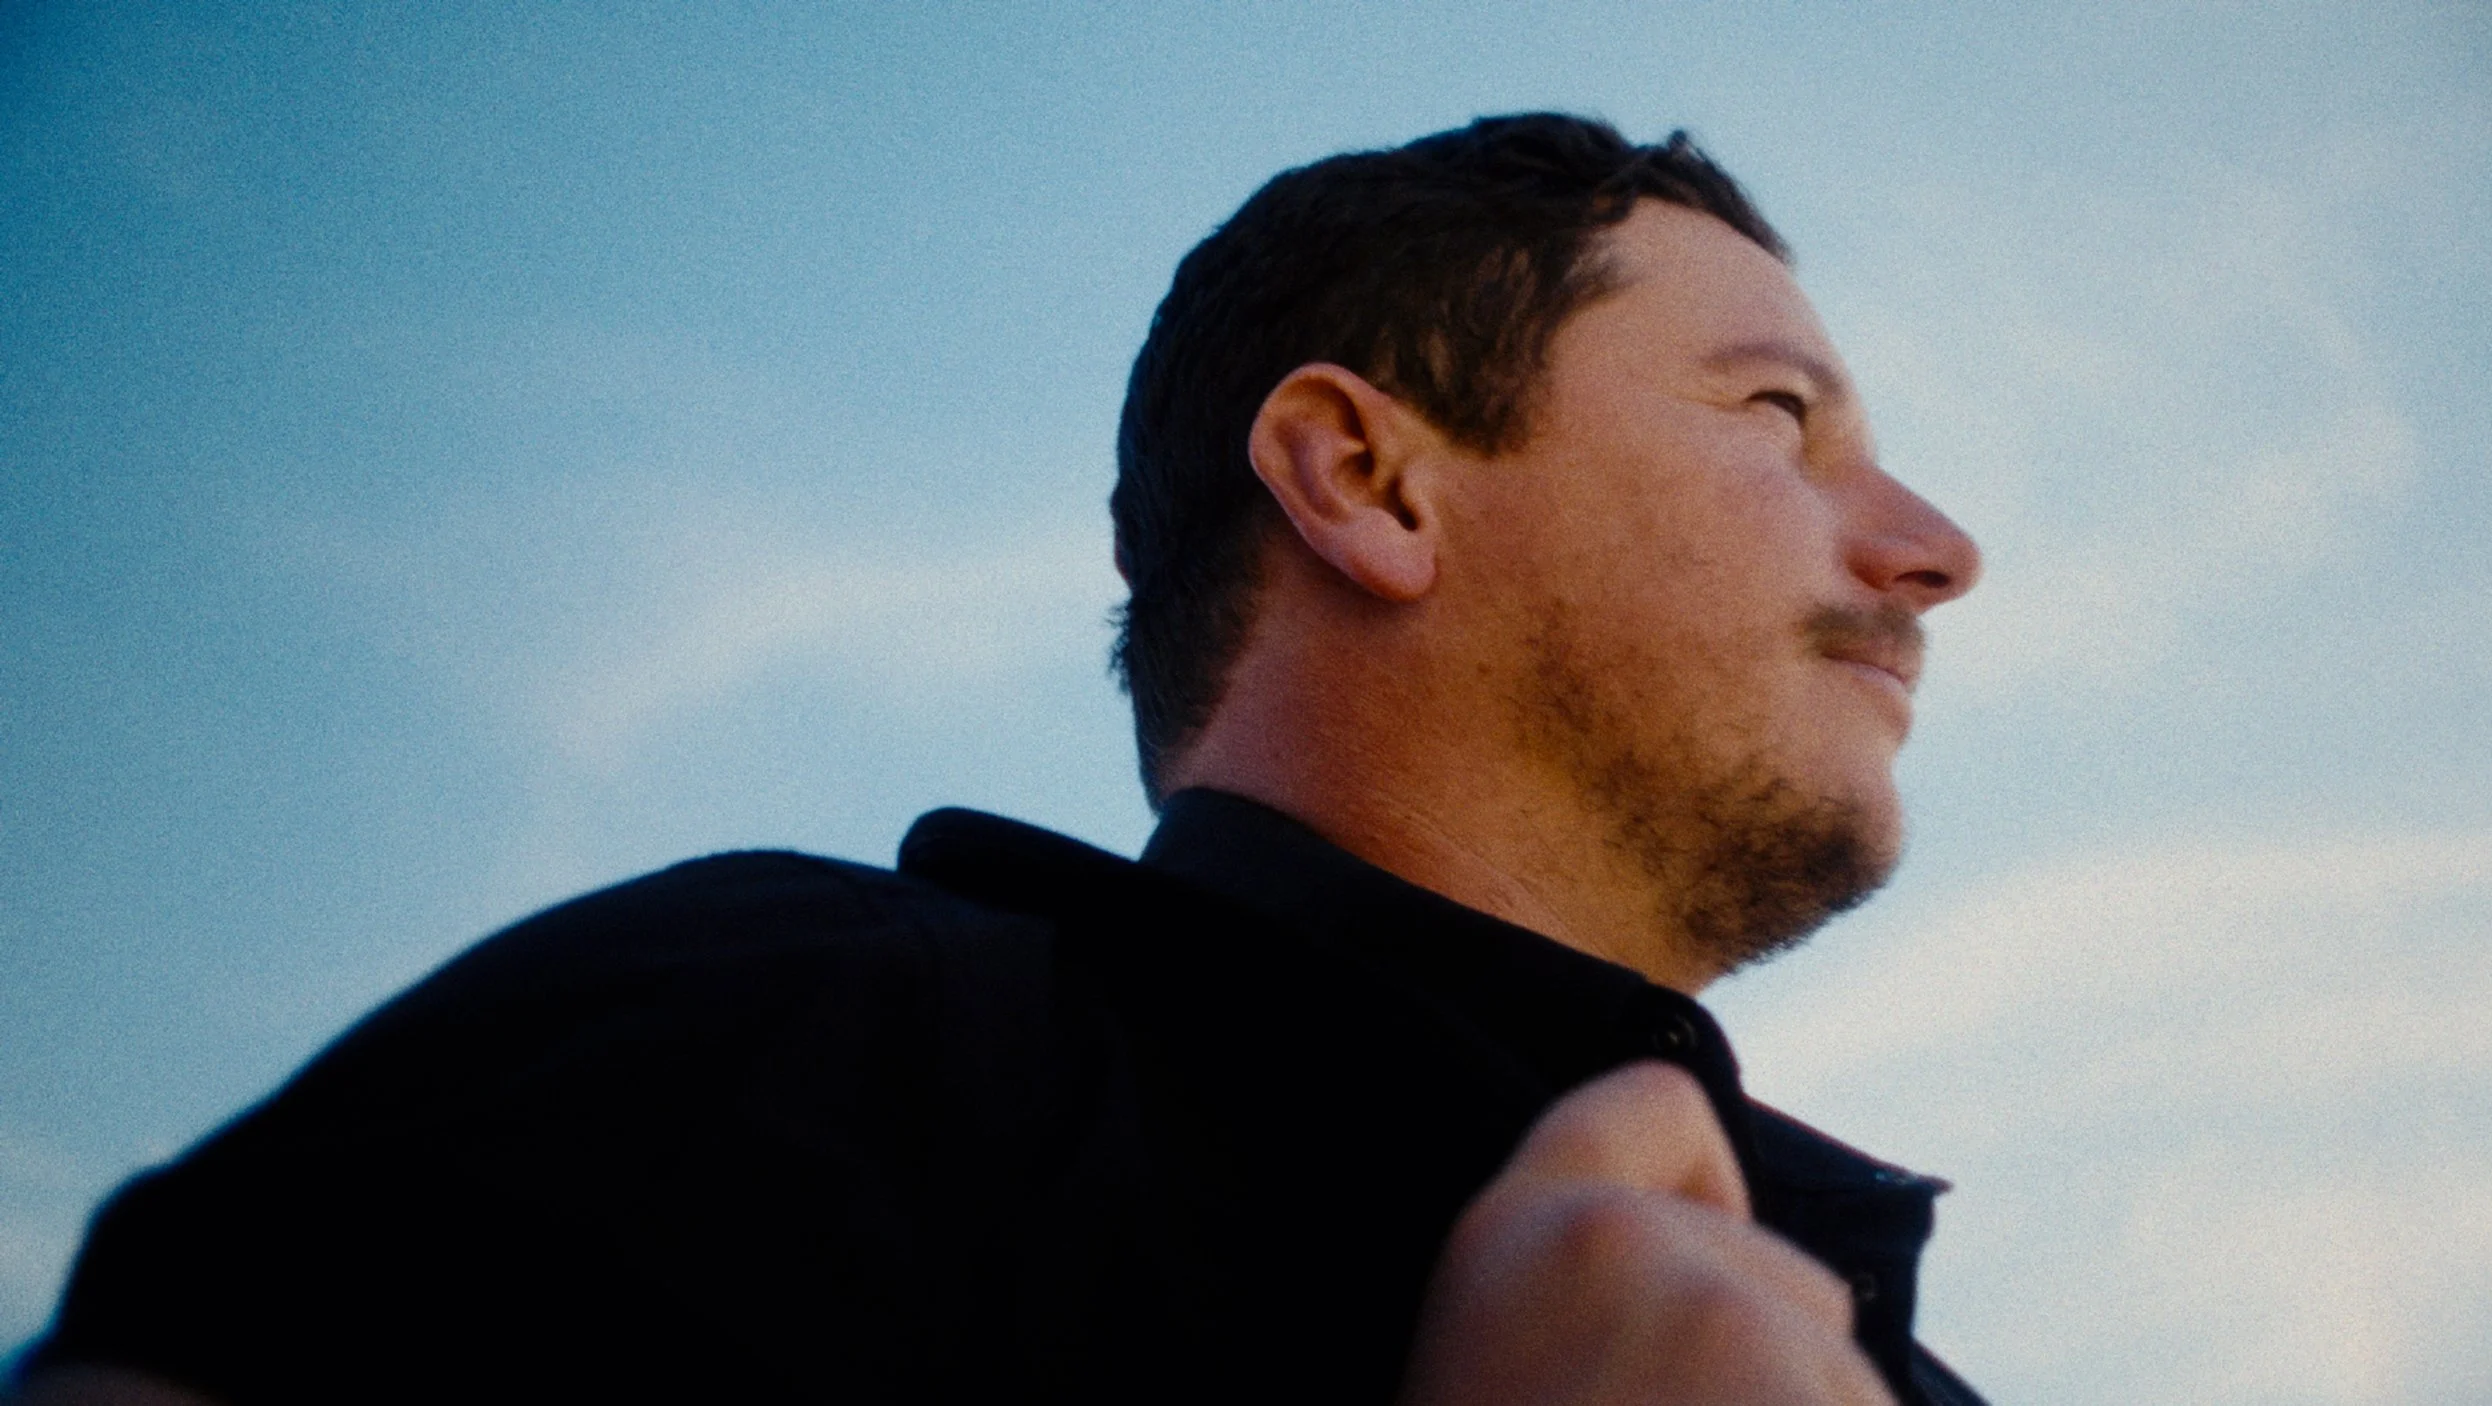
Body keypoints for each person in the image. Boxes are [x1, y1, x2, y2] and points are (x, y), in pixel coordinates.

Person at [15, 114, 1988, 1405]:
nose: (1933, 546)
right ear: (1367, 480)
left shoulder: (1894, 1357)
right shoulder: (762, 1042)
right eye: (1776, 414)